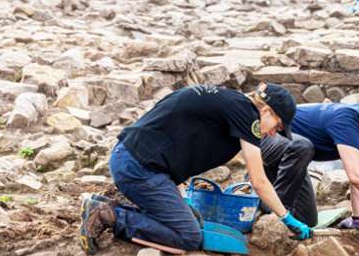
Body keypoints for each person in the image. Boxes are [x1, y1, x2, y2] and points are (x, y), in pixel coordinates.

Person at [78, 83, 313, 255]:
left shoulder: (226, 101)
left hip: (131, 158)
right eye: (278, 126)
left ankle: (105, 206)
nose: (274, 133)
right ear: (266, 111)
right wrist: (287, 217)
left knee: (187, 220)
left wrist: (182, 199)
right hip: (139, 169)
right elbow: (258, 181)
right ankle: (108, 215)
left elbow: (175, 140)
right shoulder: (247, 115)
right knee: (188, 237)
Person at [259, 93, 359, 232]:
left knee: (307, 220)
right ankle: (277, 212)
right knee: (303, 146)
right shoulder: (346, 118)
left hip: (292, 164)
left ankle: (265, 199)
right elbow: (356, 177)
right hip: (269, 141)